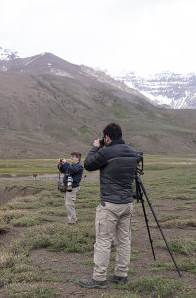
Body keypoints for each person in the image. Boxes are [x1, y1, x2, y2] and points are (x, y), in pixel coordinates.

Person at [79, 123, 138, 289]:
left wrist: (95, 147)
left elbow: (89, 164)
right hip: (127, 203)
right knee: (124, 240)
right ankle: (121, 274)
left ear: (107, 137)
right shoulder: (132, 152)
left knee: (103, 241)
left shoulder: (106, 151)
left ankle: (99, 279)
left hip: (110, 204)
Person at [57, 152, 83, 225]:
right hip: (67, 187)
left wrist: (66, 163)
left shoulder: (79, 166)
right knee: (68, 204)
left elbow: (72, 170)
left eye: (73, 157)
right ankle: (73, 220)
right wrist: (61, 164)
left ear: (78, 158)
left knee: (69, 204)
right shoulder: (71, 166)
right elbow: (62, 170)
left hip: (73, 188)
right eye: (71, 156)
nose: (71, 158)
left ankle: (72, 221)